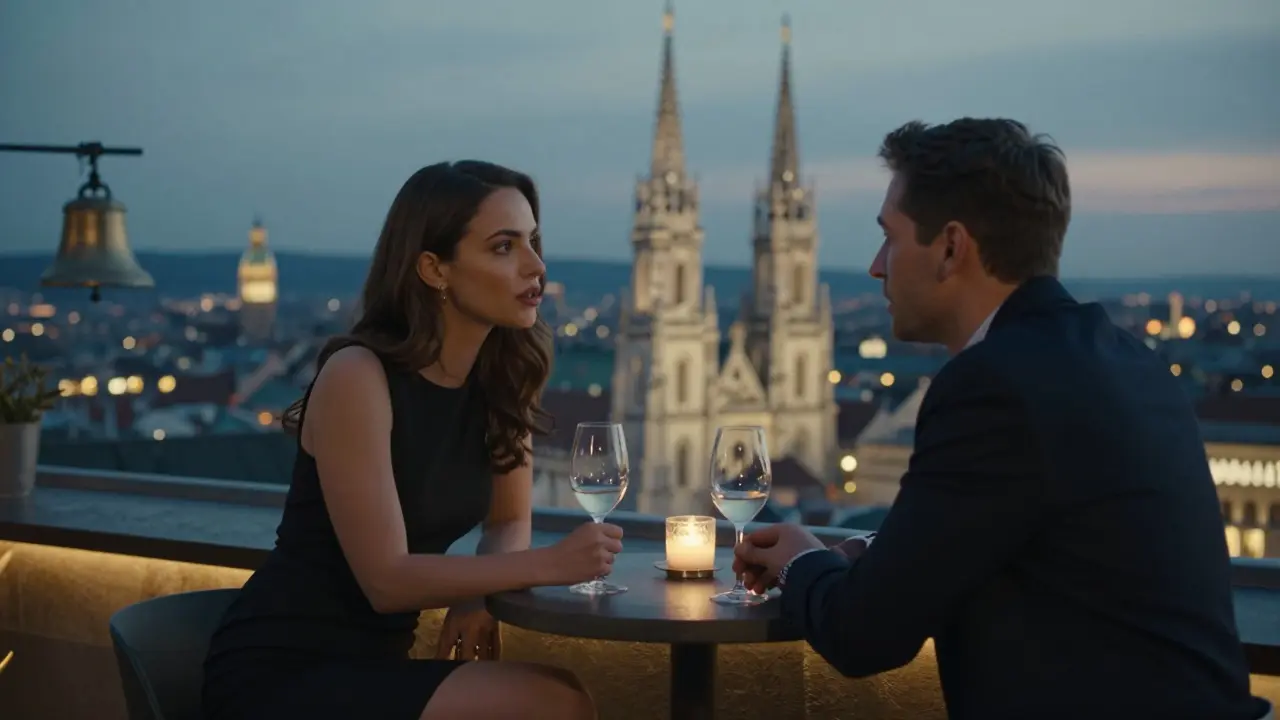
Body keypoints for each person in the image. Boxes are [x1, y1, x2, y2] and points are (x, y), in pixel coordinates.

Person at [734, 119, 1272, 720]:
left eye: (890, 238)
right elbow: (1031, 532)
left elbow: (863, 634)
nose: (876, 266)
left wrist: (801, 560)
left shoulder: (992, 385)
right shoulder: (1124, 358)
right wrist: (872, 552)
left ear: (950, 248)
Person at [203, 161, 621, 720]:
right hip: (280, 671)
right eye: (504, 247)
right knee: (556, 702)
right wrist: (548, 565)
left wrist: (477, 593)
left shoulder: (502, 379)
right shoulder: (359, 375)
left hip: (377, 667)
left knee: (559, 696)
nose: (536, 266)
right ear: (434, 268)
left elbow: (506, 521)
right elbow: (386, 580)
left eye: (533, 242)